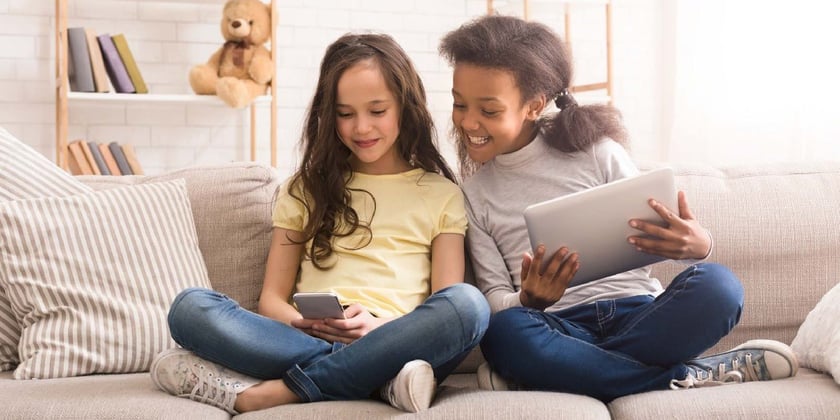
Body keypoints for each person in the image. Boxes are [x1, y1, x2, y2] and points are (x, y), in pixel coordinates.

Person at [438, 15, 797, 401]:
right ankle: (688, 376)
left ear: (534, 105)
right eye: (460, 103)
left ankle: (563, 374)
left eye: (488, 110)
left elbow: (656, 236)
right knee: (505, 334)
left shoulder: (597, 153)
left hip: (641, 311)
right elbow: (494, 299)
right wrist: (528, 300)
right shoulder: (474, 194)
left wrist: (697, 246)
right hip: (557, 327)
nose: (467, 121)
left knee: (720, 287)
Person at [150, 32, 490, 414]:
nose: (361, 128)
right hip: (304, 339)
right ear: (329, 115)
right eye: (346, 114)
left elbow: (443, 301)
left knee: (469, 306)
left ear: (405, 107)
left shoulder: (441, 193)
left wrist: (378, 329)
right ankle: (378, 382)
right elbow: (271, 300)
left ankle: (284, 390)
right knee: (189, 308)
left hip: (394, 337)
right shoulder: (305, 188)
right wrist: (304, 323)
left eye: (377, 111)